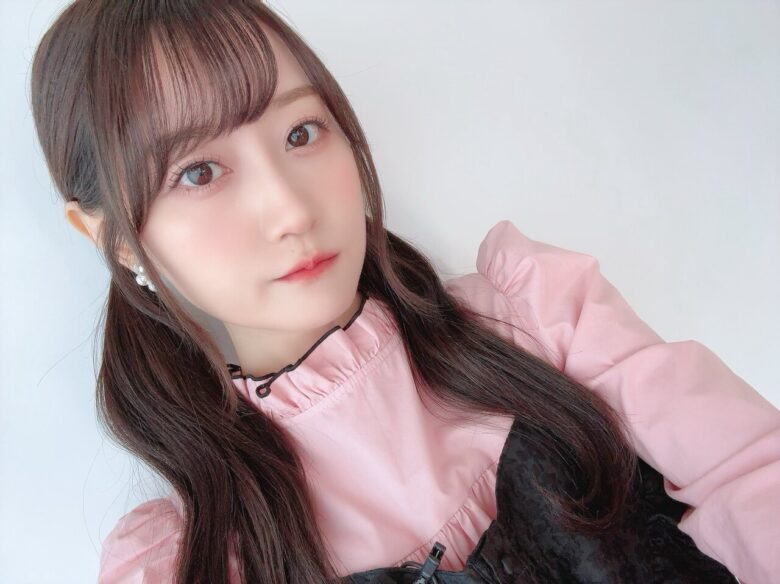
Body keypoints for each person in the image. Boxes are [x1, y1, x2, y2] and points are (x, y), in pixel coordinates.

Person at [29, 1, 779, 583]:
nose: (291, 209)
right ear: (113, 237)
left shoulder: (537, 316)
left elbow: (753, 474)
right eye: (198, 172)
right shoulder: (185, 563)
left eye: (301, 133)